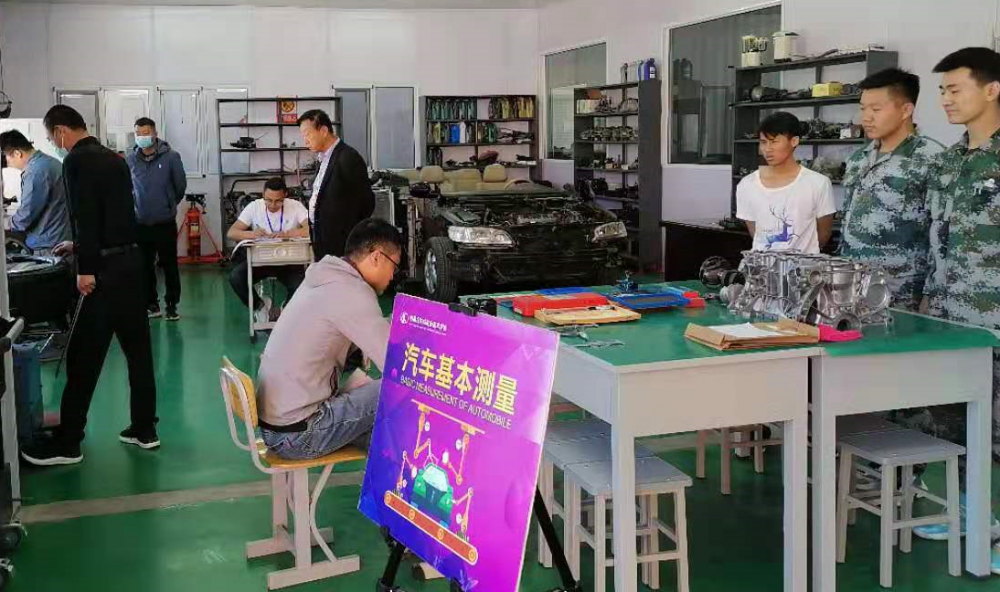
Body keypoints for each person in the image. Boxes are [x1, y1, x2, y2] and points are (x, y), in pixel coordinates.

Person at [20, 105, 159, 466]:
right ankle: (145, 429)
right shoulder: (114, 158)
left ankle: (68, 442)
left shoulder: (76, 161)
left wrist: (86, 267)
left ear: (61, 131)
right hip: (132, 265)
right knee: (138, 352)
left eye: (52, 137)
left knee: (83, 356)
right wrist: (80, 246)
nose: (56, 144)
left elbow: (85, 215)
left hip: (104, 272)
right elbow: (114, 214)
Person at [910, 47, 1000, 572]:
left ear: (991, 89)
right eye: (942, 90)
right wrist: (928, 298)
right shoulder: (948, 162)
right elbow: (935, 239)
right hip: (950, 316)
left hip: (996, 318)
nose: (945, 99)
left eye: (954, 88)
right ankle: (971, 514)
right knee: (956, 421)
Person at [256, 218, 402, 460]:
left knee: (388, 432)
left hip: (276, 426)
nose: (392, 277)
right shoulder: (353, 293)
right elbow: (396, 363)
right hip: (300, 434)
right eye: (394, 267)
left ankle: (400, 459)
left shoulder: (324, 278)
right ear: (377, 257)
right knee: (401, 387)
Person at [840, 68, 945, 312]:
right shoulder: (859, 158)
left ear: (906, 110)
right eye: (863, 109)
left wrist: (931, 294)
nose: (866, 118)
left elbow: (941, 233)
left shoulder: (932, 159)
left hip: (903, 291)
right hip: (854, 286)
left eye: (876, 109)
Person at [736, 111, 837, 253]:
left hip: (804, 265)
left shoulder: (818, 183)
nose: (767, 149)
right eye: (763, 142)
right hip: (762, 265)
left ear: (794, 141)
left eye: (774, 142)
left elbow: (824, 234)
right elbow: (755, 232)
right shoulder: (747, 185)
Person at [126, 117, 187, 321]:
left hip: (164, 223)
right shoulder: (130, 159)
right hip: (140, 223)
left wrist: (169, 205)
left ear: (155, 134)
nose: (142, 137)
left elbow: (180, 187)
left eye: (146, 133)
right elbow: (127, 188)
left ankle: (172, 304)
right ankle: (151, 304)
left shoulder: (171, 157)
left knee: (169, 265)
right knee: (144, 267)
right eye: (139, 133)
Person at [226, 177, 310, 323]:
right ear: (263, 194)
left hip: (288, 261)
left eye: (278, 201)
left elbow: (311, 229)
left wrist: (288, 234)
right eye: (268, 200)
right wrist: (252, 234)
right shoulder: (254, 207)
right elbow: (232, 232)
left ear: (285, 196)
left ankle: (287, 309)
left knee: (304, 284)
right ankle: (259, 306)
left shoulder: (295, 206)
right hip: (260, 261)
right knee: (236, 278)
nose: (272, 205)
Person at [298, 109, 374, 261]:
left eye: (308, 134)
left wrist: (348, 236)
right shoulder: (323, 159)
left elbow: (366, 203)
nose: (305, 141)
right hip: (323, 240)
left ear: (324, 131)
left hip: (342, 244)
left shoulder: (347, 158)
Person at [0, 129, 71, 254]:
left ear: (17, 153)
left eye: (7, 160)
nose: (9, 164)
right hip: (57, 239)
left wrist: (5, 223)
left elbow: (25, 216)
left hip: (50, 247)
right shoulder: (47, 162)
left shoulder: (36, 171)